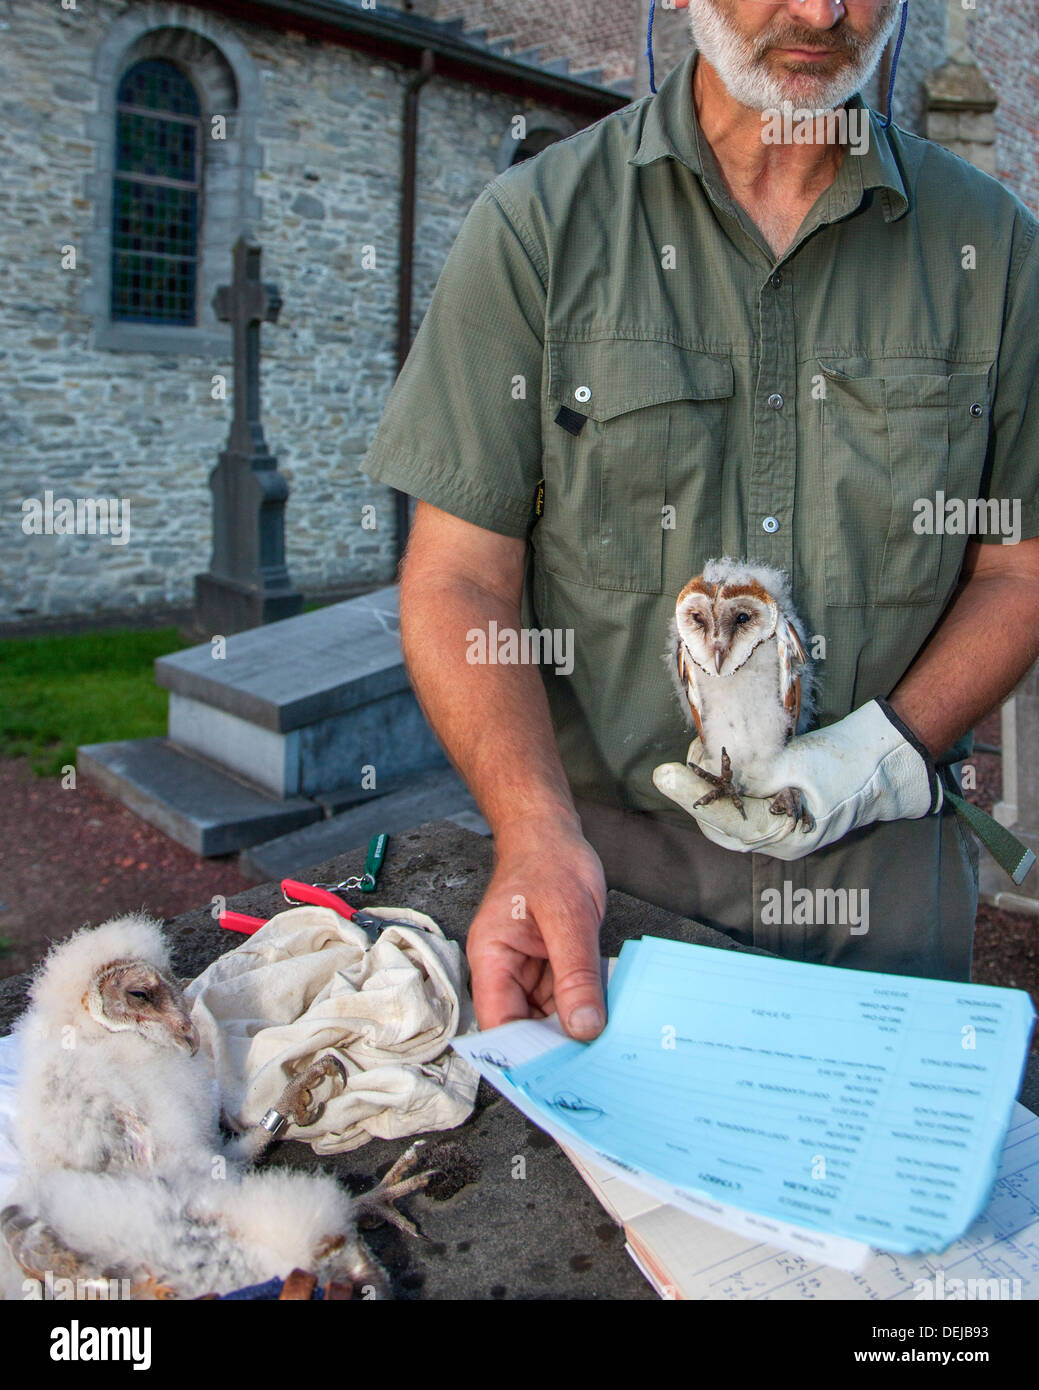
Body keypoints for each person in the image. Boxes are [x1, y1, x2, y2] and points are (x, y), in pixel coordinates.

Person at [361, 0, 1039, 1042]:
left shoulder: (991, 251)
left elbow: (1020, 565)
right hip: (610, 881)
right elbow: (460, 576)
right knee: (591, 1205)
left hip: (884, 887)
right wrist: (533, 829)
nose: (821, 11)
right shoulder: (539, 228)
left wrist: (884, 751)